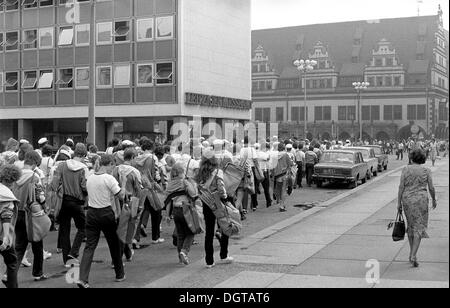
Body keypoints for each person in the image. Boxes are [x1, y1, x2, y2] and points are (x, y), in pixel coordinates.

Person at [77, 155, 125, 288]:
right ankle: (119, 274)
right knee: (114, 244)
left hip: (91, 213)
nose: (113, 168)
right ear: (108, 164)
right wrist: (124, 183)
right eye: (112, 166)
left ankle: (83, 278)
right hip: (106, 212)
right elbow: (121, 195)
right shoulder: (109, 178)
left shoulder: (91, 177)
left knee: (89, 247)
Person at [397, 149, 437, 268]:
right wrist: (434, 199)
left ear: (412, 158)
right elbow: (431, 187)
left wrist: (398, 203)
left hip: (407, 200)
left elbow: (401, 187)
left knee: (411, 226)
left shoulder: (405, 169)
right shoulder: (426, 171)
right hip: (421, 200)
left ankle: (411, 253)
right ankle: (413, 255)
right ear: (422, 159)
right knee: (419, 227)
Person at [12, 151, 48, 281]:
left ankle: (9, 274)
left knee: (19, 246)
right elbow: (40, 196)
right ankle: (38, 273)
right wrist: (44, 206)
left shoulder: (16, 175)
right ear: (34, 163)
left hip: (17, 213)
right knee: (37, 244)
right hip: (31, 214)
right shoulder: (34, 177)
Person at [51, 143, 88, 268]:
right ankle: (74, 253)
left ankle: (66, 259)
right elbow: (84, 186)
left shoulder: (62, 165)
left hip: (64, 201)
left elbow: (54, 183)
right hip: (77, 202)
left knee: (64, 231)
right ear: (83, 155)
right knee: (83, 228)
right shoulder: (84, 168)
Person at [197, 154, 233, 268]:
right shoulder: (218, 172)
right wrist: (226, 198)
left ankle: (209, 261)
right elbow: (221, 188)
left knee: (209, 231)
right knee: (224, 225)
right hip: (218, 202)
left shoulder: (200, 172)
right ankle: (223, 255)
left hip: (206, 202)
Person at [165, 163, 198, 265]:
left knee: (180, 234)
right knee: (191, 232)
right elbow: (193, 194)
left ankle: (180, 256)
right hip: (185, 208)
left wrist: (167, 215)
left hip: (175, 210)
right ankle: (184, 251)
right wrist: (191, 183)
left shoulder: (169, 184)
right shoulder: (184, 182)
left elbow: (168, 201)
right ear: (182, 172)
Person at [112, 148, 142, 262]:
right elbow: (138, 190)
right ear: (133, 157)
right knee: (127, 230)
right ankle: (118, 258)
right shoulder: (134, 172)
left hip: (116, 203)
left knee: (119, 229)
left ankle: (127, 253)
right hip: (130, 203)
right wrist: (139, 207)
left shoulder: (115, 170)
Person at [133, 139, 164, 247]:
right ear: (151, 148)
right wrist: (158, 183)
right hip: (150, 187)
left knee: (139, 213)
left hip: (140, 187)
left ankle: (135, 238)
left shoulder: (136, 158)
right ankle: (156, 237)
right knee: (157, 211)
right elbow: (156, 173)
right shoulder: (152, 158)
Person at [0, 164, 21, 288]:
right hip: (1, 234)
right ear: (11, 180)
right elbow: (6, 216)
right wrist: (6, 237)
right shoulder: (6, 194)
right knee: (12, 262)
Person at [272, 143, 293, 212]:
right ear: (284, 148)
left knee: (279, 190)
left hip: (277, 175)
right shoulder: (285, 155)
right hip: (284, 174)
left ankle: (280, 202)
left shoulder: (275, 156)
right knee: (284, 190)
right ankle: (281, 206)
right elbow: (290, 164)